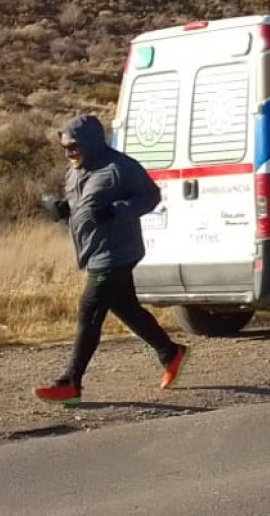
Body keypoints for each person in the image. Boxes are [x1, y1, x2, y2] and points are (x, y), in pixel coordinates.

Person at [34, 115, 186, 405]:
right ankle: (171, 353)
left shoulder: (120, 167)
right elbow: (84, 203)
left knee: (89, 310)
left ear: (91, 142)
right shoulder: (74, 170)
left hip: (117, 252)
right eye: (65, 147)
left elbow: (151, 196)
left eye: (74, 146)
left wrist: (116, 211)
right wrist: (65, 210)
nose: (69, 152)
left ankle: (70, 383)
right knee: (126, 308)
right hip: (95, 251)